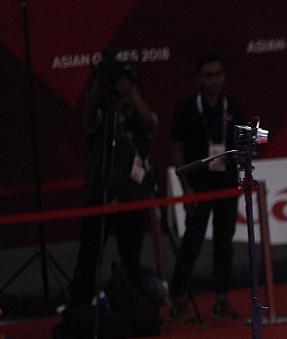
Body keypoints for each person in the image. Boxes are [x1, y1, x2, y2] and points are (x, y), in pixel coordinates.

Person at [69, 53, 158, 307]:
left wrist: (131, 95)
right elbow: (89, 118)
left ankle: (132, 303)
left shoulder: (138, 112)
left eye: (123, 79)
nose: (118, 84)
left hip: (132, 194)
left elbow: (151, 125)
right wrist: (98, 83)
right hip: (100, 192)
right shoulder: (101, 113)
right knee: (89, 255)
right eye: (115, 80)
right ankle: (80, 306)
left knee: (131, 256)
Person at [168, 53, 245, 322]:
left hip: (226, 184)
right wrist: (185, 187)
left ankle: (221, 299)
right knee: (193, 241)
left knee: (225, 242)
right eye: (208, 75)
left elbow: (241, 145)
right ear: (199, 79)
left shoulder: (232, 106)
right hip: (198, 185)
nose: (214, 80)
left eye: (219, 74)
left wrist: (240, 164)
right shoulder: (187, 108)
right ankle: (177, 298)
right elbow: (177, 149)